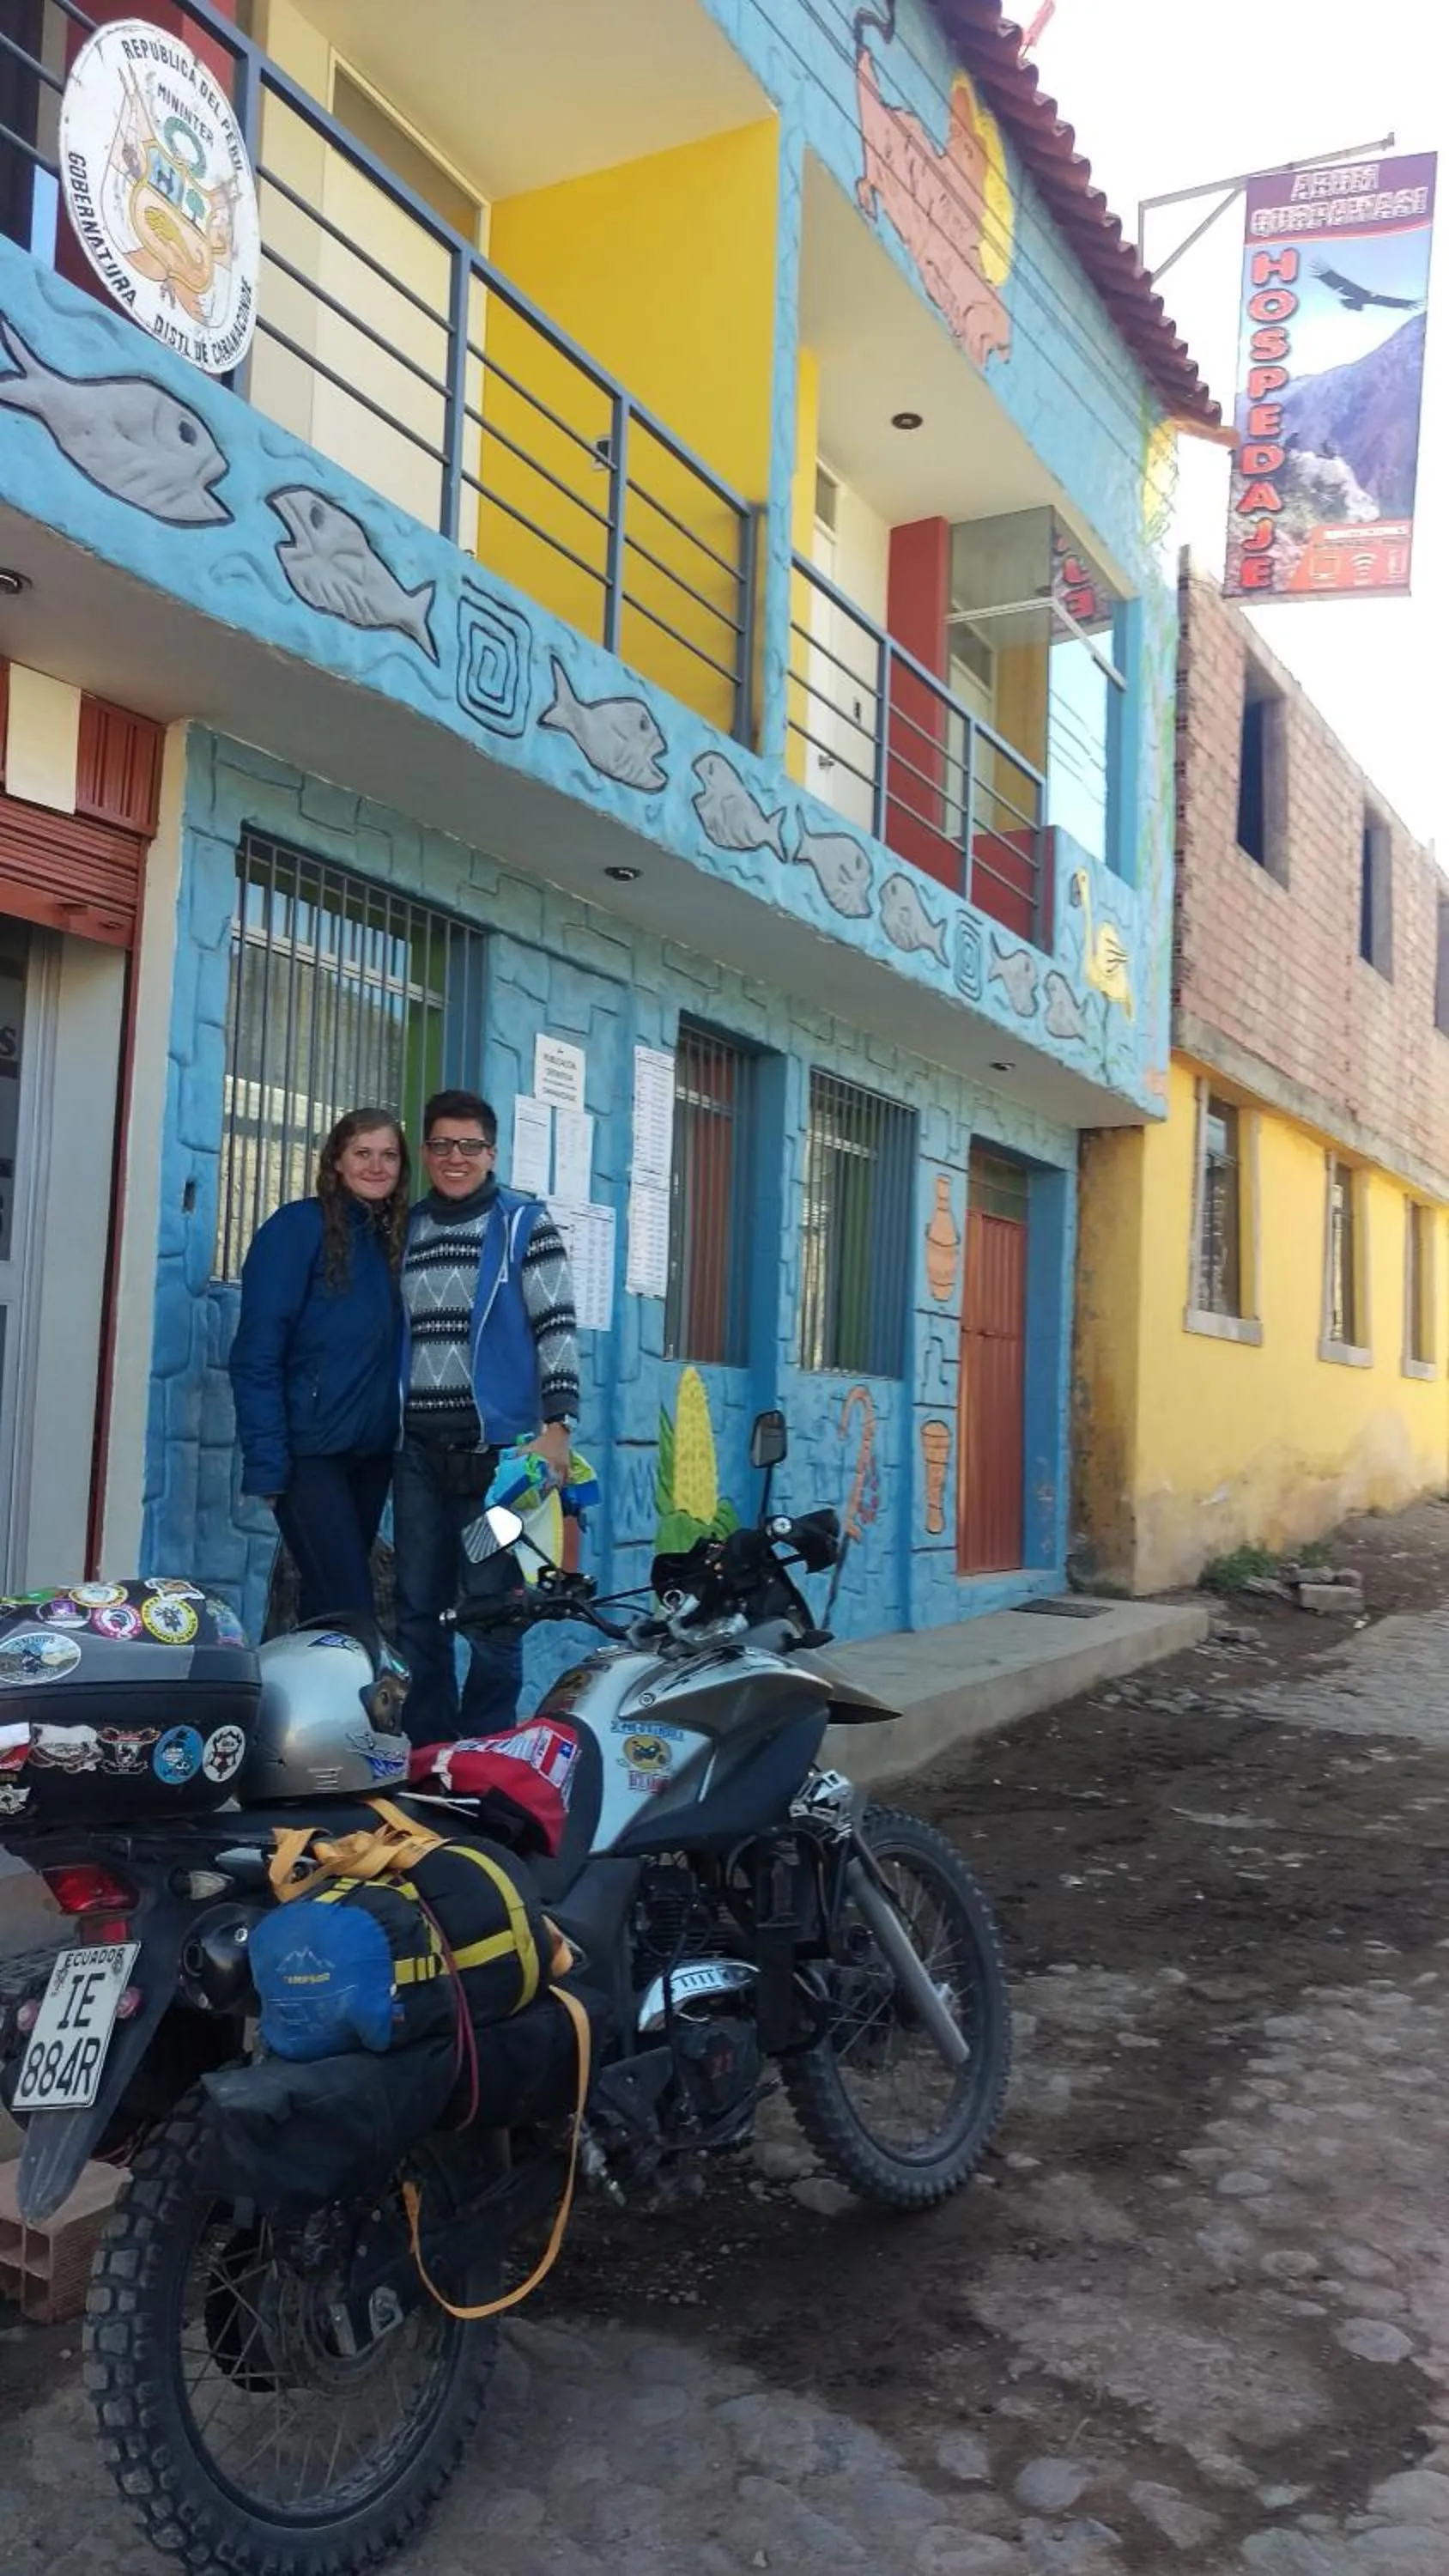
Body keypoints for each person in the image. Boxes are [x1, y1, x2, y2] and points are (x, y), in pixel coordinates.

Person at [393, 1087, 579, 1743]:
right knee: (418, 1611)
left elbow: (556, 1326)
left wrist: (558, 1426)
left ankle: (484, 1748)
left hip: (498, 1466)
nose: (455, 1157)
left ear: (491, 1153)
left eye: (469, 1146)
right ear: (426, 1152)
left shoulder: (525, 1225)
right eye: (442, 1144)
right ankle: (429, 1751)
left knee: (492, 1612)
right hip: (418, 1458)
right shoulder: (407, 1229)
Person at [229, 1108, 409, 1624]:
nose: (376, 1166)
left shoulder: (391, 1242)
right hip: (309, 1455)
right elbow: (257, 1352)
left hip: (372, 1454)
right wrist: (268, 1465)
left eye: (389, 1155)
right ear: (336, 1161)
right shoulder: (296, 1229)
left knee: (326, 1609)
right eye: (362, 1153)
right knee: (349, 1606)